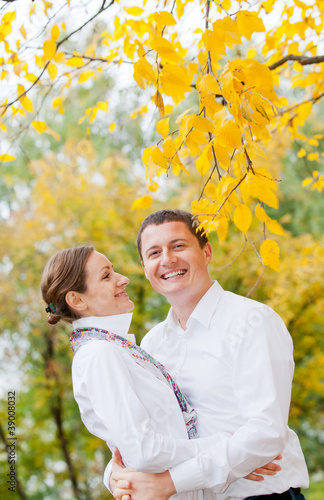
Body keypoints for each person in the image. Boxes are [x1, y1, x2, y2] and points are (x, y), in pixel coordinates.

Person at [40, 245, 273, 500]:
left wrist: (233, 459)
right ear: (77, 300)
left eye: (114, 270)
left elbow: (133, 443)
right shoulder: (99, 354)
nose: (123, 279)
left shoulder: (123, 349)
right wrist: (228, 450)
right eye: (107, 276)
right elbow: (143, 450)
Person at [110, 209, 309, 500]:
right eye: (154, 253)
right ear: (144, 267)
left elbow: (265, 433)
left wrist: (172, 482)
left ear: (207, 251)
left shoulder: (252, 321)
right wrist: (117, 477)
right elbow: (145, 431)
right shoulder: (152, 344)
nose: (167, 260)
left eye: (178, 245)